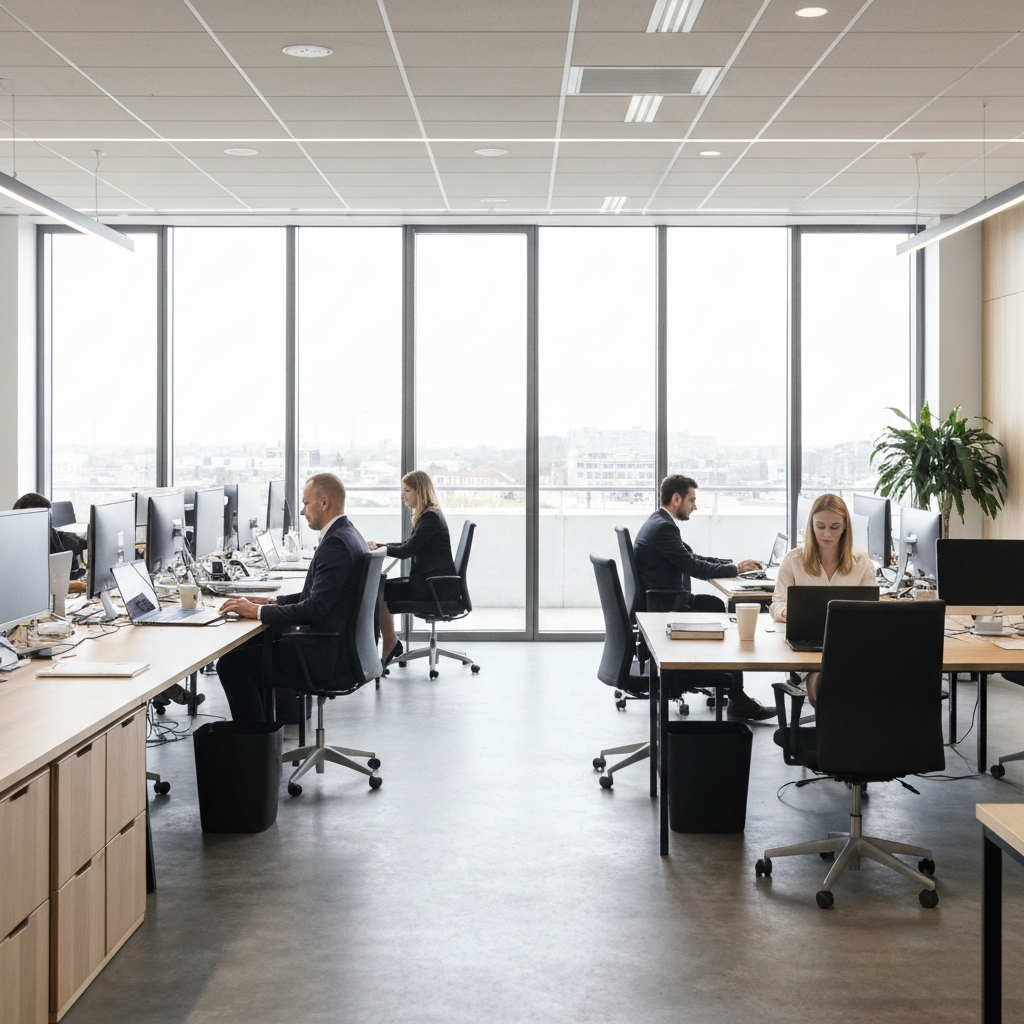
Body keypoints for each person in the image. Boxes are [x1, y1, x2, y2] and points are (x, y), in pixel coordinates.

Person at [216, 473, 368, 723]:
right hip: (340, 647)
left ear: (324, 502)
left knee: (232, 666)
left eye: (306, 503)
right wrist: (271, 603)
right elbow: (322, 596)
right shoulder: (349, 534)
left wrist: (255, 613)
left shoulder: (336, 544)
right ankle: (263, 745)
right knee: (252, 648)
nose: (302, 511)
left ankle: (256, 752)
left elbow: (316, 608)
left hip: (326, 656)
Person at [633, 474, 774, 722]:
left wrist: (734, 565)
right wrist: (736, 570)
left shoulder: (658, 522)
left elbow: (692, 557)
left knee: (716, 606)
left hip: (666, 601)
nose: (695, 506)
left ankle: (730, 688)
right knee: (720, 610)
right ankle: (734, 694)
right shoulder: (664, 528)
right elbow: (694, 567)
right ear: (676, 499)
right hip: (666, 608)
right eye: (692, 500)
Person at [770, 492, 876, 708]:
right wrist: (786, 612)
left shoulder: (861, 561)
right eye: (820, 526)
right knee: (823, 682)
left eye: (834, 527)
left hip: (850, 646)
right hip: (807, 646)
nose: (827, 533)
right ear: (811, 525)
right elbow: (776, 604)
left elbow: (873, 609)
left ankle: (854, 737)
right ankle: (832, 738)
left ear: (845, 526)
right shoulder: (794, 560)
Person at [367, 470, 456, 666]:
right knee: (381, 588)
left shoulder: (430, 518)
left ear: (421, 491)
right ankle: (391, 641)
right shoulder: (429, 515)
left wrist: (381, 548)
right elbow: (408, 544)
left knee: (378, 590)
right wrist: (380, 546)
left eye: (407, 490)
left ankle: (390, 642)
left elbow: (407, 550)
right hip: (431, 583)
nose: (403, 495)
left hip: (434, 588)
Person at [13, 492, 86, 591]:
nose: (47, 525)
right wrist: (71, 586)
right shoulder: (14, 550)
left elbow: (63, 567)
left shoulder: (49, 531)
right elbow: (29, 586)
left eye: (49, 519)